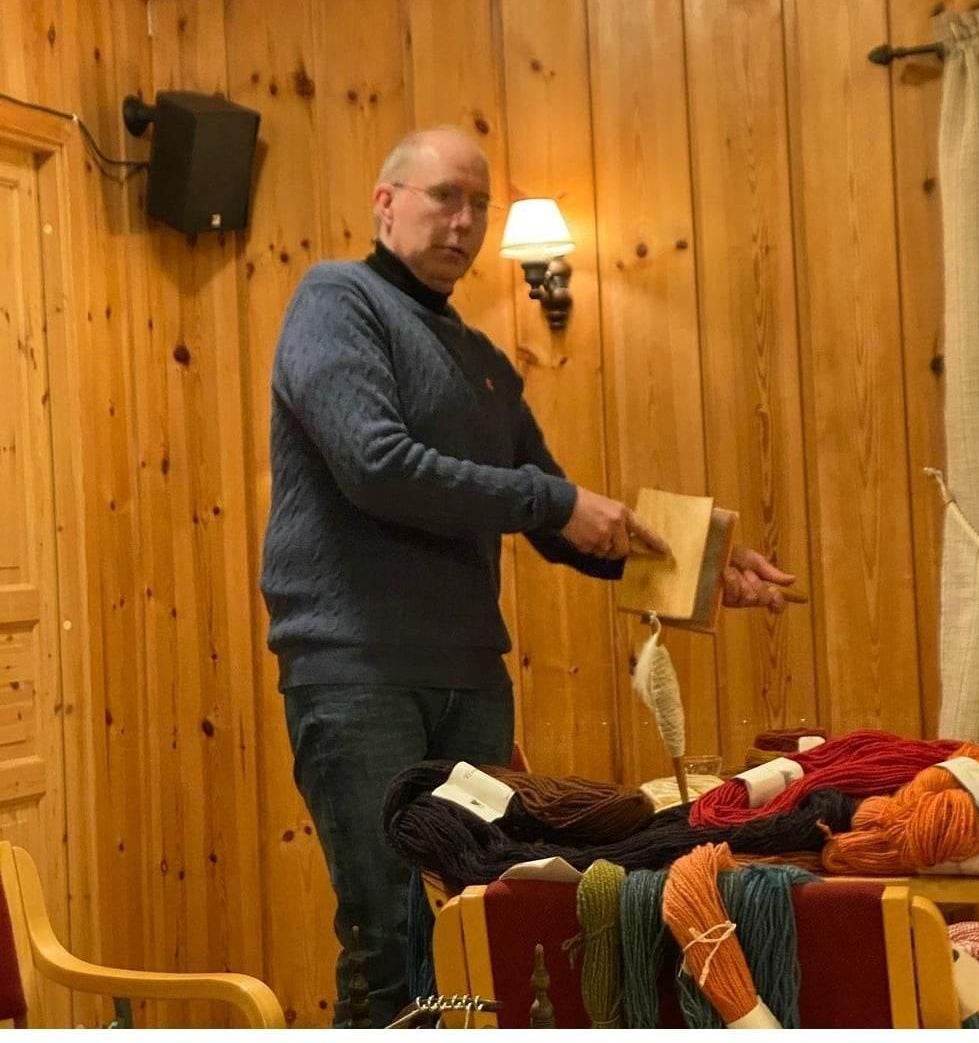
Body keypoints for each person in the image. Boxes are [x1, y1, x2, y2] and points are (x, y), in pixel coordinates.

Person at [260, 126, 796, 1026]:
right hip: (357, 672)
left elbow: (561, 523)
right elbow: (377, 465)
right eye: (445, 196)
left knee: (481, 920)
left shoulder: (483, 363)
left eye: (480, 204)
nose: (465, 221)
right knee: (390, 933)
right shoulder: (336, 299)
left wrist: (701, 567)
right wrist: (553, 500)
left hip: (471, 677)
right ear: (386, 202)